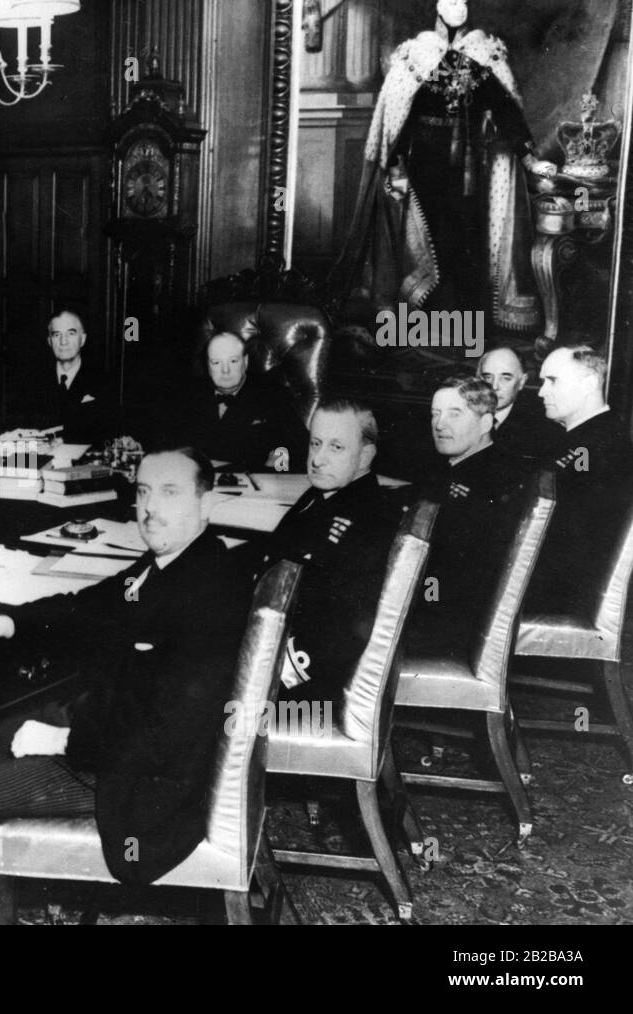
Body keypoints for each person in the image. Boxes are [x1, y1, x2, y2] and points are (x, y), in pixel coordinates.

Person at [0, 446, 246, 923]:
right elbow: (87, 607)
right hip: (103, 731)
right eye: (142, 492)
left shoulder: (209, 592)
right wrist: (8, 623)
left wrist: (63, 740)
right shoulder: (169, 564)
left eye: (169, 493)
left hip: (126, 777)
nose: (150, 508)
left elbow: (170, 729)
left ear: (206, 503)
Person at [329, 0, 557, 336]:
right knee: (429, 236)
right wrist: (395, 165)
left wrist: (528, 157)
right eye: (451, 1)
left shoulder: (485, 53)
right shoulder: (415, 54)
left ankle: (466, 325)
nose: (458, 7)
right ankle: (425, 321)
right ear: (437, 7)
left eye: (463, 2)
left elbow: (506, 109)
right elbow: (397, 118)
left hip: (472, 165)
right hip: (425, 161)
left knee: (469, 238)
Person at [252, 399, 401, 705]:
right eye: (316, 443)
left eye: (336, 448)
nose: (318, 459)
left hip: (303, 684)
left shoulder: (368, 522)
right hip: (271, 642)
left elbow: (344, 632)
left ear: (364, 456)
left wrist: (267, 675)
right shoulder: (324, 494)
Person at [405, 376, 524, 656]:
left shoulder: (486, 483)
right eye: (435, 414)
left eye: (454, 414)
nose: (439, 424)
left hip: (445, 624)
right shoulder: (465, 467)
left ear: (485, 424)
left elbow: (447, 569)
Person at [526, 345, 633, 614]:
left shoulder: (597, 446)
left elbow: (571, 537)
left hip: (562, 595)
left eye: (552, 381)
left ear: (589, 383)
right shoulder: (585, 439)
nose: (541, 392)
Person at [180, 331, 306, 471]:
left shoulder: (273, 394)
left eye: (233, 361)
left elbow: (295, 447)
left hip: (254, 482)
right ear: (208, 365)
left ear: (245, 361)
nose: (225, 370)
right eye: (216, 363)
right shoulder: (188, 395)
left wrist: (276, 468)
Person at [5, 309, 112, 444]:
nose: (63, 341)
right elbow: (14, 424)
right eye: (57, 335)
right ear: (50, 341)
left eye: (71, 333)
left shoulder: (102, 380)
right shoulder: (31, 380)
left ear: (83, 339)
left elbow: (108, 430)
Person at [477, 346, 554, 464]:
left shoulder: (539, 429)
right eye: (488, 377)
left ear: (522, 382)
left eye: (506, 378)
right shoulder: (461, 410)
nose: (494, 386)